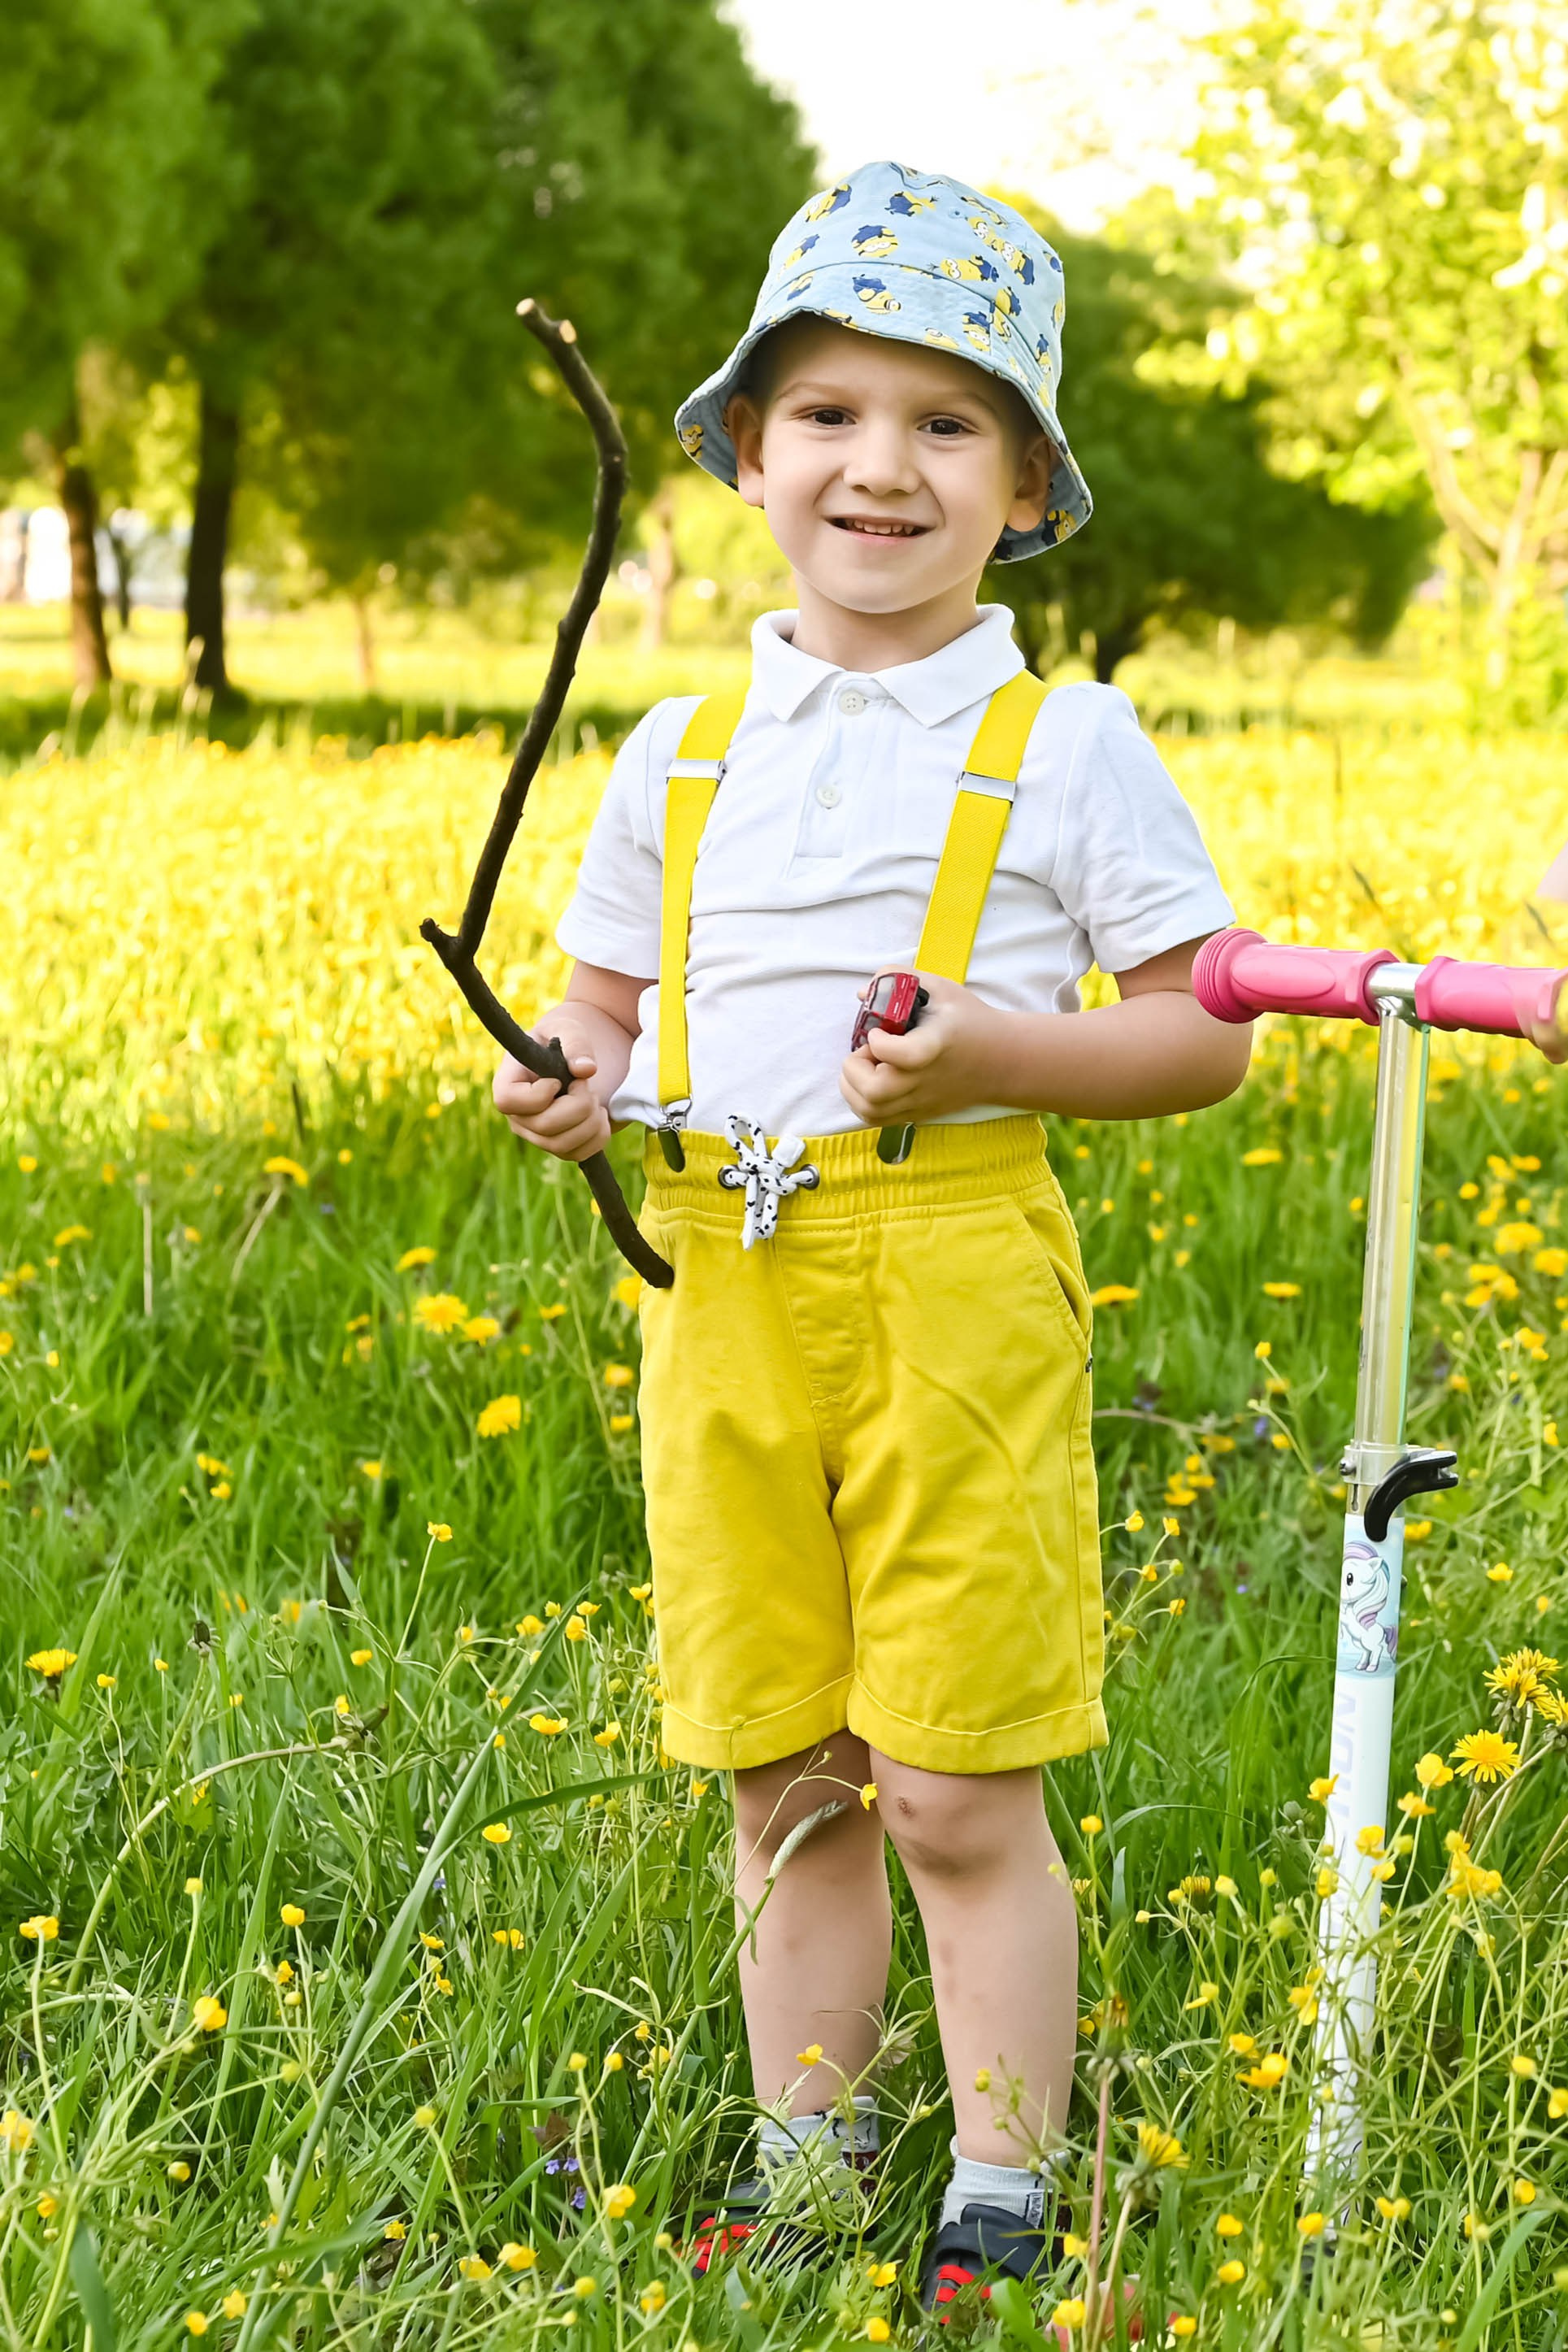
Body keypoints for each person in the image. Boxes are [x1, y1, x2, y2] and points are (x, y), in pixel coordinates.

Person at [494, 160, 1251, 2319]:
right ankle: (808, 2169)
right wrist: (560, 1079)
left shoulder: (1066, 742)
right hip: (727, 1293)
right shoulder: (683, 745)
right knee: (785, 1769)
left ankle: (999, 2185)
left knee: (944, 1776)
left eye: (946, 423)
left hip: (949, 1277)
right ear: (747, 451)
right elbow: (607, 1011)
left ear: (1020, 489)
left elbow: (1199, 1039)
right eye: (827, 412)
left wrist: (994, 1046)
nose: (878, 466)